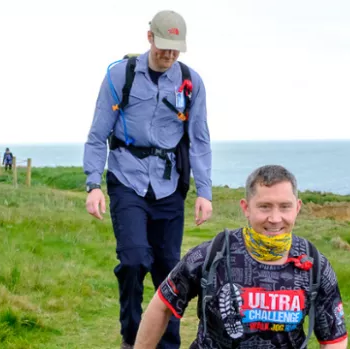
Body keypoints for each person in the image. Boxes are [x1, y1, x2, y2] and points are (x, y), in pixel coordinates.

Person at [83, 10, 213, 349]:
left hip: (169, 185)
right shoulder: (119, 76)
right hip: (127, 178)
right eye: (163, 47)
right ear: (149, 38)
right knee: (133, 260)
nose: (169, 55)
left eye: (176, 50)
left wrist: (205, 192)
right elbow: (97, 136)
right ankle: (132, 335)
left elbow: (199, 140)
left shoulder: (191, 82)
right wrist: (93, 184)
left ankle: (168, 345)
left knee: (169, 269)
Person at [134, 165, 349, 349]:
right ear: (246, 208)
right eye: (264, 207)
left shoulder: (314, 264)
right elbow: (161, 305)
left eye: (285, 207)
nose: (275, 218)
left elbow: (334, 338)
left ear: (297, 208)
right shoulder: (212, 254)